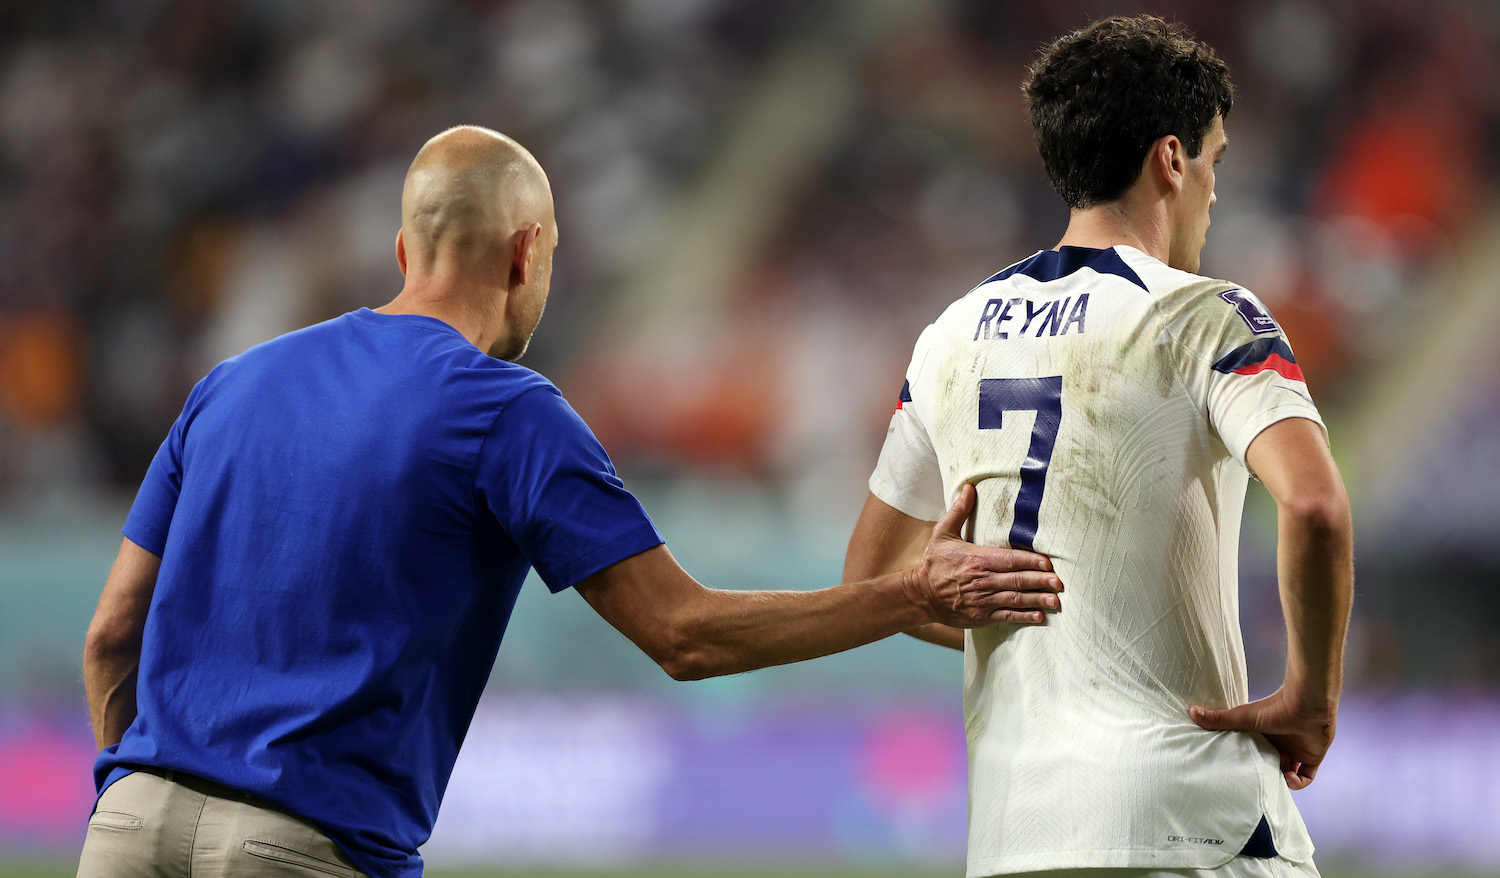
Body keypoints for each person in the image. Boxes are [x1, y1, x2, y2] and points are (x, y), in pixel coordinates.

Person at [78, 126, 1064, 878]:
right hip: (298, 844)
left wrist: (138, 795)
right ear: (526, 251)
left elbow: (113, 631)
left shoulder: (234, 381)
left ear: (403, 249)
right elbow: (687, 635)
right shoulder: (502, 410)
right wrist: (910, 596)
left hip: (125, 822)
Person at [843, 15, 1354, 878]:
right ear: (1169, 159)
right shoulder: (1206, 315)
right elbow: (1313, 504)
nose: (1215, 191)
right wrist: (1313, 697)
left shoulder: (948, 335)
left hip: (1020, 836)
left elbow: (868, 585)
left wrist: (1044, 624)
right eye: (1214, 162)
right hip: (1194, 818)